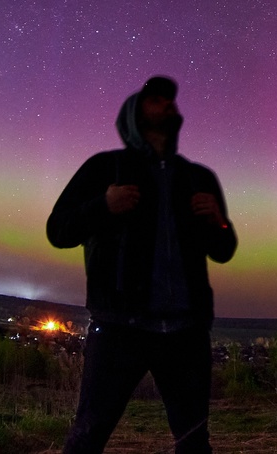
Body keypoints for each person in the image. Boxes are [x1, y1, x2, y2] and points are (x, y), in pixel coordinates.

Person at [47, 75, 237, 454]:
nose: (168, 103)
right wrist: (103, 205)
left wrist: (219, 220)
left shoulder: (198, 177)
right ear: (134, 114)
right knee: (87, 436)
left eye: (170, 99)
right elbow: (59, 230)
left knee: (194, 442)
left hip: (186, 332)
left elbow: (223, 249)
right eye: (156, 99)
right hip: (119, 328)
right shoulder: (106, 168)